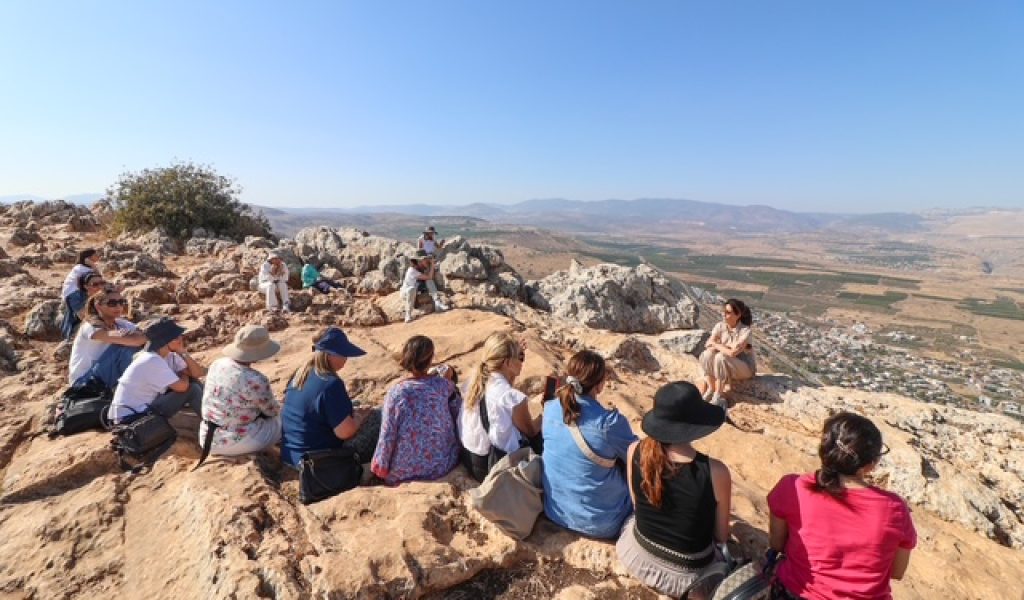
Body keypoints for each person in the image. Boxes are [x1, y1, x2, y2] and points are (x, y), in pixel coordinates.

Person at [767, 412, 916, 600]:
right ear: (871, 464)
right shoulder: (895, 508)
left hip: (795, 593)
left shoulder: (792, 486)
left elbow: (777, 544)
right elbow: (897, 572)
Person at [616, 381, 731, 600]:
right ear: (695, 426)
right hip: (687, 576)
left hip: (636, 554)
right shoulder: (715, 472)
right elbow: (721, 535)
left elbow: (636, 504)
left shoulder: (634, 451)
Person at [541, 350, 637, 539]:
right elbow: (639, 457)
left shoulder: (551, 408)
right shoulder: (609, 423)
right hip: (601, 523)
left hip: (556, 511)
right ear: (599, 385)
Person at [280, 327, 380, 468]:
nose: (346, 358)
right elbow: (345, 433)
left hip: (292, 456)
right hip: (318, 462)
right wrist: (360, 417)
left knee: (354, 404)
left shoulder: (300, 374)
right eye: (343, 354)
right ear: (329, 355)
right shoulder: (331, 384)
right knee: (380, 416)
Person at [370, 335, 461, 485]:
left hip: (403, 471)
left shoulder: (397, 392)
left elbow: (387, 435)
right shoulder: (443, 386)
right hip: (441, 465)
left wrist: (380, 468)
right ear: (430, 358)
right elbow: (458, 414)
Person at [459, 332, 542, 482]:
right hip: (494, 466)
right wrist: (546, 411)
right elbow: (531, 430)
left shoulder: (472, 382)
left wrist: (513, 362)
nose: (522, 362)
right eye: (520, 357)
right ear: (507, 363)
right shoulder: (511, 397)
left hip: (471, 459)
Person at [197, 325, 283, 457]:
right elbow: (272, 411)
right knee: (285, 420)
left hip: (206, 436)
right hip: (234, 442)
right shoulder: (255, 379)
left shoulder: (217, 363)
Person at [107, 318, 206, 424]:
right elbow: (183, 387)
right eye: (176, 337)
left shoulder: (168, 355)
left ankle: (214, 418)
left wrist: (182, 352)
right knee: (192, 389)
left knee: (193, 381)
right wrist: (183, 373)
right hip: (130, 417)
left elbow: (197, 373)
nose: (180, 339)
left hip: (141, 410)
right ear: (165, 341)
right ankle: (214, 424)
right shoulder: (151, 360)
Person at [67, 285, 146, 386]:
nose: (118, 307)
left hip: (103, 374)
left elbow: (142, 335)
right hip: (84, 382)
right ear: (98, 305)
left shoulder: (121, 324)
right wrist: (134, 337)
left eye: (121, 302)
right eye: (112, 303)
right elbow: (135, 340)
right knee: (124, 348)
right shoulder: (90, 326)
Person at [697, 298, 755, 409]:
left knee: (721, 356)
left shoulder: (745, 331)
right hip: (729, 364)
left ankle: (717, 395)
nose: (724, 315)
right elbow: (708, 344)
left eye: (728, 313)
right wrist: (721, 346)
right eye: (724, 311)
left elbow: (732, 353)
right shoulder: (720, 326)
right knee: (707, 354)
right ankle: (711, 388)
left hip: (745, 367)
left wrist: (717, 345)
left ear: (738, 315)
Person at [60, 249, 102, 340]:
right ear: (88, 258)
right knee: (83, 315)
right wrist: (92, 265)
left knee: (73, 316)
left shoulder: (82, 268)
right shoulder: (81, 268)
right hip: (75, 294)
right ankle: (72, 338)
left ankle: (67, 335)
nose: (98, 256)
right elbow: (98, 277)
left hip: (74, 293)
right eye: (95, 254)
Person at [399, 252, 448, 323]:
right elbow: (429, 276)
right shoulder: (412, 270)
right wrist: (431, 265)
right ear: (418, 261)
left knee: (429, 281)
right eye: (424, 260)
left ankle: (437, 303)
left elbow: (429, 278)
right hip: (406, 292)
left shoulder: (420, 268)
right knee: (411, 289)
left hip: (417, 289)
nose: (426, 261)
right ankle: (408, 314)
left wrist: (432, 265)